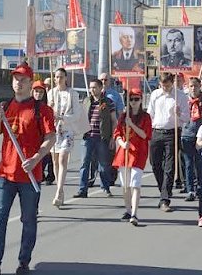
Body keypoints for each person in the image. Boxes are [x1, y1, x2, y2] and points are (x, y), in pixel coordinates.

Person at [0, 63, 56, 275]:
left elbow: (50, 138)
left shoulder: (41, 110)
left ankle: (23, 262)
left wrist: (36, 158)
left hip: (30, 175)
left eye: (23, 79)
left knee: (28, 220)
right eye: (15, 79)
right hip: (6, 174)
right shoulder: (5, 107)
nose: (18, 82)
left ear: (31, 83)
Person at [147, 72, 190, 211]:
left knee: (170, 166)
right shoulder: (155, 95)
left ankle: (165, 199)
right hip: (157, 132)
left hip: (172, 132)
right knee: (155, 163)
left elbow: (186, 118)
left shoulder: (180, 96)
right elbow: (150, 114)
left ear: (172, 83)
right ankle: (164, 190)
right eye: (162, 85)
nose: (165, 88)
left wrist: (179, 114)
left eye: (167, 85)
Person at [112, 88, 152, 226]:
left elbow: (145, 135)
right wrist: (122, 143)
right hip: (124, 153)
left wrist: (132, 125)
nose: (134, 102)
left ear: (141, 100)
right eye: (131, 99)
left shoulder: (146, 117)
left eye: (137, 99)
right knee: (125, 185)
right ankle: (128, 210)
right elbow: (117, 134)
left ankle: (134, 213)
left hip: (138, 153)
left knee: (135, 184)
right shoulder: (123, 116)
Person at [47, 68, 86, 207]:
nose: (58, 79)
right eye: (56, 77)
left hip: (67, 130)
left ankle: (58, 191)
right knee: (55, 161)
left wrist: (62, 117)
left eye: (61, 77)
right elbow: (47, 113)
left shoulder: (72, 94)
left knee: (63, 158)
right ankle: (60, 188)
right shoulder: (51, 93)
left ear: (66, 78)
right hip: (54, 131)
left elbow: (77, 114)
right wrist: (49, 108)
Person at [75, 79, 117, 198]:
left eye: (94, 87)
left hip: (102, 138)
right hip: (87, 137)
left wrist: (113, 138)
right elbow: (81, 117)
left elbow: (114, 121)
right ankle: (83, 189)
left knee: (103, 165)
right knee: (84, 164)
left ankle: (106, 187)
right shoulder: (87, 101)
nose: (92, 90)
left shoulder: (108, 102)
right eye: (90, 87)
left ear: (100, 88)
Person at [181, 77, 202, 202]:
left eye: (196, 86)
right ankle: (190, 189)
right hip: (187, 134)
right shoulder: (184, 99)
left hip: (201, 135)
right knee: (188, 163)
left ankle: (200, 186)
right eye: (191, 86)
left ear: (200, 86)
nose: (193, 88)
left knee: (200, 163)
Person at [33, 80, 55, 186]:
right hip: (33, 138)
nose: (38, 94)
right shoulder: (28, 107)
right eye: (36, 91)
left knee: (47, 157)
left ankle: (50, 176)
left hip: (44, 138)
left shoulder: (47, 109)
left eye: (41, 92)